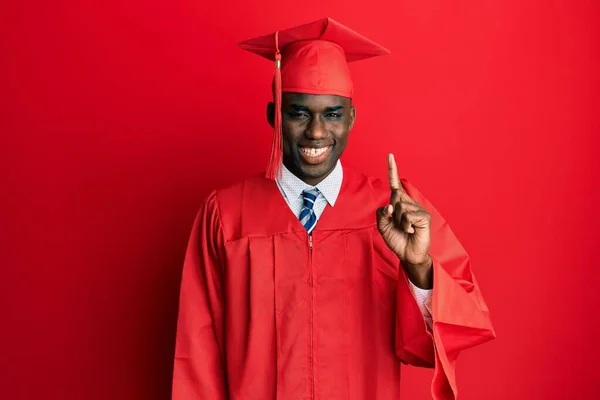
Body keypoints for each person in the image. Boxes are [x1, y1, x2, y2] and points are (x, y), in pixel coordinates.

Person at [172, 17, 495, 400]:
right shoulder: (226, 215)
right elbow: (198, 357)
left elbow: (446, 334)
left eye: (333, 114)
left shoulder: (393, 211)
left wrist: (418, 267)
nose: (317, 132)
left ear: (352, 118)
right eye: (299, 113)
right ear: (273, 116)